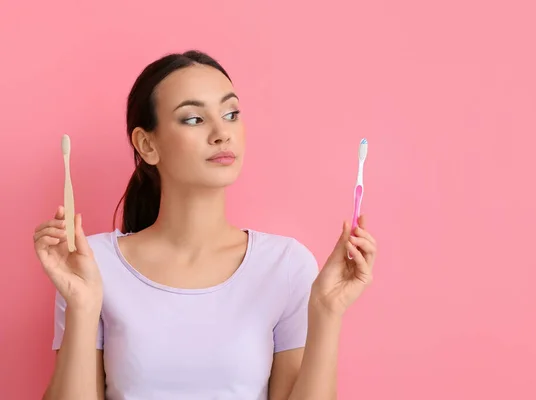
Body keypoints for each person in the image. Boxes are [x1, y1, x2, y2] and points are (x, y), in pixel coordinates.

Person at [33, 50, 377, 400]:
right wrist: (82, 306)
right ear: (147, 144)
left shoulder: (285, 265)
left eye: (231, 114)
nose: (221, 133)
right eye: (194, 120)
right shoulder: (92, 265)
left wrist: (326, 313)